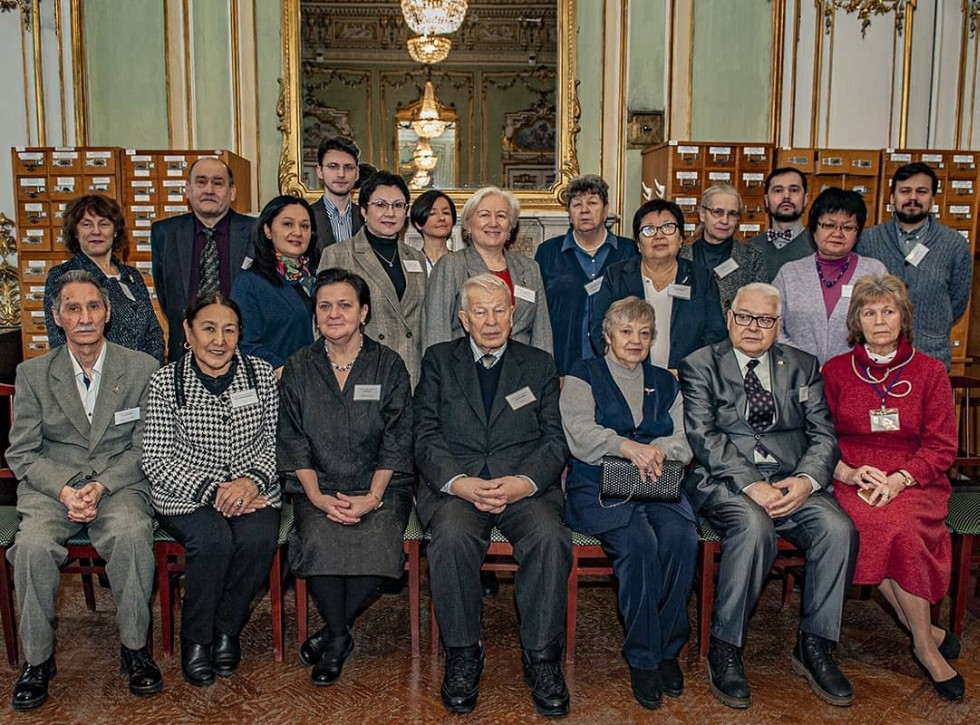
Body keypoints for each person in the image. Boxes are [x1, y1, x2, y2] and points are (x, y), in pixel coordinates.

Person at [679, 282, 858, 710]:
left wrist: (806, 481)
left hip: (790, 479)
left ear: (779, 324)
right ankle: (726, 647)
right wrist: (750, 484)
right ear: (729, 318)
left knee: (839, 530)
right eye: (744, 317)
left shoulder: (803, 365)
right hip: (726, 481)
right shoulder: (700, 364)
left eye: (764, 319)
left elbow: (823, 435)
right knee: (754, 527)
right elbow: (703, 437)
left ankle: (815, 645)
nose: (753, 327)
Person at [5, 270, 162, 712]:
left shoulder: (141, 368)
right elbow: (22, 453)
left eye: (93, 306)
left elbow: (145, 445)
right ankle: (37, 661)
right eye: (72, 308)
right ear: (57, 317)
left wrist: (101, 484)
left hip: (118, 482)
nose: (85, 317)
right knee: (32, 546)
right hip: (53, 490)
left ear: (108, 313)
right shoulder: (33, 373)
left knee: (132, 535)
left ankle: (135, 649)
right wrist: (64, 491)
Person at [415, 274, 571, 717]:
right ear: (463, 319)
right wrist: (458, 482)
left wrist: (525, 481)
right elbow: (424, 434)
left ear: (513, 313)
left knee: (549, 538)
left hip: (523, 487)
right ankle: (463, 653)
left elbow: (554, 441)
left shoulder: (539, 364)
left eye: (499, 309)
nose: (490, 320)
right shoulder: (438, 361)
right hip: (458, 488)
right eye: (479, 311)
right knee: (450, 539)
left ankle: (541, 658)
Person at [822, 274, 963, 701]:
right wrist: (846, 471)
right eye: (869, 312)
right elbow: (821, 437)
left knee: (901, 525)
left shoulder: (930, 371)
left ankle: (922, 642)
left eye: (888, 311)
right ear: (856, 321)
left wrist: (902, 478)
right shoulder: (834, 370)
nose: (879, 320)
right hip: (855, 475)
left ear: (903, 318)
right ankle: (926, 634)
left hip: (915, 476)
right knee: (865, 526)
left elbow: (942, 445)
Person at [278, 268, 414, 688]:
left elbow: (398, 437)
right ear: (315, 314)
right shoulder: (299, 367)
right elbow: (292, 437)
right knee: (318, 540)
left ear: (364, 312)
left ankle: (332, 634)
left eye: (344, 304)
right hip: (316, 484)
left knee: (381, 546)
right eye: (324, 306)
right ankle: (338, 638)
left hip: (382, 485)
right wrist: (317, 497)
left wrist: (372, 497)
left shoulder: (388, 365)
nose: (334, 313)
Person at [562, 296, 696, 710]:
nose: (635, 340)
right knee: (639, 545)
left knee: (680, 538)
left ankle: (669, 649)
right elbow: (579, 433)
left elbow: (685, 436)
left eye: (643, 332)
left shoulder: (667, 381)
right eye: (626, 332)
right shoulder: (582, 375)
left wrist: (656, 450)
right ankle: (642, 657)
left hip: (657, 480)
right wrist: (625, 446)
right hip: (598, 484)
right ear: (607, 335)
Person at [141, 293, 281, 687]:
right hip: (185, 494)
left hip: (253, 489)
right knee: (214, 540)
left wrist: (251, 480)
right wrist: (211, 491)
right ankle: (197, 640)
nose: (219, 340)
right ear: (187, 332)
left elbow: (274, 442)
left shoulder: (259, 374)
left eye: (229, 330)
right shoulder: (166, 382)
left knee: (258, 540)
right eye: (208, 328)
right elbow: (156, 459)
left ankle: (226, 630)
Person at [858, 162, 973, 370]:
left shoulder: (954, 244)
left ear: (932, 198)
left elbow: (957, 302)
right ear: (892, 198)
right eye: (905, 191)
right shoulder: (867, 241)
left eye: (922, 191)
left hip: (931, 357)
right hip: (876, 358)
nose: (913, 198)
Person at [590, 199, 726, 371]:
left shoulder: (701, 278)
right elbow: (599, 328)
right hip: (630, 377)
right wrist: (620, 368)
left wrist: (690, 370)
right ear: (638, 243)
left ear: (681, 239)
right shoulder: (617, 276)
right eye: (649, 229)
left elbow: (715, 332)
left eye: (668, 227)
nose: (659, 235)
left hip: (687, 380)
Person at [318, 171, 427, 385]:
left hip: (412, 372)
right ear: (364, 211)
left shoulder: (415, 257)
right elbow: (324, 320)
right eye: (380, 205)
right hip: (363, 372)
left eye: (398, 205)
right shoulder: (338, 254)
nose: (390, 213)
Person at [421, 186, 553, 354]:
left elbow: (542, 333)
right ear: (468, 225)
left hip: (521, 372)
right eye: (484, 215)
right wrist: (441, 374)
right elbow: (436, 331)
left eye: (501, 216)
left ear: (510, 226)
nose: (493, 222)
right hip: (465, 372)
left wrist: (544, 374)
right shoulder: (451, 266)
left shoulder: (529, 268)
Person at [151, 156, 254, 359]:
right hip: (184, 353)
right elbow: (165, 294)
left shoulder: (255, 231)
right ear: (188, 189)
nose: (209, 190)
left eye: (218, 183)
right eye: (201, 182)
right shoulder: (165, 233)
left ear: (232, 192)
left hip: (243, 352)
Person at [535, 174, 638, 376]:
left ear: (605, 209)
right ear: (569, 212)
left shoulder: (629, 251)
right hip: (563, 365)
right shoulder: (548, 253)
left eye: (592, 202)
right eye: (576, 204)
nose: (584, 210)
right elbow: (538, 312)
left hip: (619, 366)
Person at [772, 187, 887, 365]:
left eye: (848, 227)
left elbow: (885, 327)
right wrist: (802, 363)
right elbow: (773, 325)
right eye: (829, 225)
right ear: (814, 228)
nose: (837, 233)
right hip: (797, 376)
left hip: (858, 376)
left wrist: (844, 368)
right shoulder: (789, 273)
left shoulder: (874, 272)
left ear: (857, 233)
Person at [44, 194, 163, 363]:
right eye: (86, 224)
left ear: (115, 231)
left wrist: (149, 371)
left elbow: (153, 332)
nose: (96, 231)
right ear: (75, 232)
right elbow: (58, 340)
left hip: (142, 378)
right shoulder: (62, 275)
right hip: (97, 379)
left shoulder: (132, 276)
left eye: (104, 224)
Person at [231, 195, 317, 376]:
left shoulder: (316, 277)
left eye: (305, 226)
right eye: (287, 224)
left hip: (320, 384)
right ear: (268, 230)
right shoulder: (250, 282)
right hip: (278, 387)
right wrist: (280, 370)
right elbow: (243, 343)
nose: (298, 232)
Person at [680, 183, 767, 314]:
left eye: (732, 214)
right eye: (718, 212)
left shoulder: (752, 257)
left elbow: (760, 308)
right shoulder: (680, 255)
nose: (725, 221)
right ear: (702, 214)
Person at [746, 167, 816, 281]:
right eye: (778, 190)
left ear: (805, 199)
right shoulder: (750, 247)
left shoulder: (818, 247)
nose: (786, 196)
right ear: (766, 200)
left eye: (794, 190)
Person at [310, 136, 364, 265]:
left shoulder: (367, 216)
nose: (341, 174)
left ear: (356, 173)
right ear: (320, 171)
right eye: (333, 166)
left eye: (348, 167)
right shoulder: (307, 216)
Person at [409, 189, 457, 271]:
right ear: (418, 224)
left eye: (446, 213)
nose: (442, 218)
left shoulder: (461, 262)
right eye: (432, 213)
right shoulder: (411, 263)